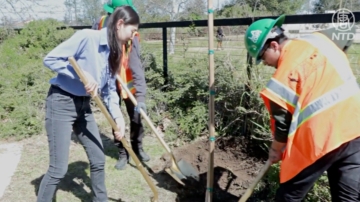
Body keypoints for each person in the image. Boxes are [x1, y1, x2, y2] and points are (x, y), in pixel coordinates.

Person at [244, 14, 360, 201]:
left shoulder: (283, 75)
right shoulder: (320, 40)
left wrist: (275, 150)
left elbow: (282, 125)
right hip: (354, 127)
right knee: (349, 198)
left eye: (262, 56)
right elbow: (346, 34)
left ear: (274, 45)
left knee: (289, 196)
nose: (265, 63)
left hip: (321, 137)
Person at [37, 6, 139, 202]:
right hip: (61, 102)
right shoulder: (87, 37)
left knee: (98, 159)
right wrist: (81, 75)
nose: (133, 36)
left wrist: (119, 119)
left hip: (84, 106)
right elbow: (50, 59)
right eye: (132, 30)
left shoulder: (115, 52)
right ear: (119, 24)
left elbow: (109, 91)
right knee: (58, 169)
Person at [91, 0, 150, 170]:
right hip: (109, 82)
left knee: (137, 117)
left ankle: (138, 148)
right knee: (116, 121)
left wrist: (141, 97)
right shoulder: (100, 23)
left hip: (128, 83)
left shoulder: (132, 33)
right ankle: (123, 153)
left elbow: (136, 64)